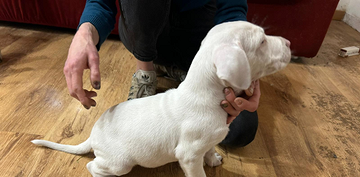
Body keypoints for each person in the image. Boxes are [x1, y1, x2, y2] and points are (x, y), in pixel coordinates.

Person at [63, 0, 261, 148]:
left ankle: (185, 70)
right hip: (145, 35)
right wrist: (85, 32)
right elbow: (101, 3)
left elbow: (231, 9)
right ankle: (145, 72)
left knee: (239, 130)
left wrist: (240, 58)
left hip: (199, 45)